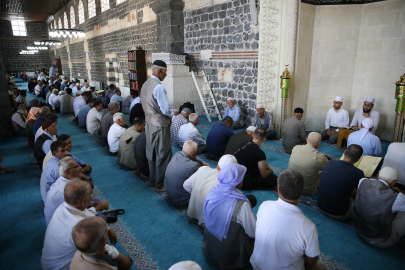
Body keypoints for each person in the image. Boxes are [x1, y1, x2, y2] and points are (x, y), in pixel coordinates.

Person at [250, 169, 327, 270]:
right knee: (321, 267)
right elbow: (311, 260)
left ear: (279, 190)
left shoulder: (264, 205)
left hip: (257, 265)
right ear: (301, 191)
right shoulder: (308, 227)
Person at [41, 180, 126, 270]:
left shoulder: (65, 206)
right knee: (113, 262)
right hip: (62, 266)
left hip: (54, 261)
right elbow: (99, 246)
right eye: (90, 194)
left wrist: (109, 229)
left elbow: (86, 214)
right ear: (84, 201)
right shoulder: (78, 225)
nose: (92, 196)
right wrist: (122, 258)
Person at [203, 163, 256, 269]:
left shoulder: (213, 192)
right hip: (230, 250)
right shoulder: (242, 205)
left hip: (211, 243)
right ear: (236, 181)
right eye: (241, 177)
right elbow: (252, 232)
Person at [44, 157, 107, 226]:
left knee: (95, 201)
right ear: (68, 172)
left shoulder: (64, 181)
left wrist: (92, 203)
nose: (80, 168)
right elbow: (79, 216)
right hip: (64, 224)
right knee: (102, 218)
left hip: (67, 214)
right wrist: (99, 207)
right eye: (77, 166)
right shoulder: (66, 191)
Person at [352, 167, 405, 248]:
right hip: (377, 239)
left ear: (377, 176)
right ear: (394, 182)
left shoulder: (362, 181)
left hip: (356, 228)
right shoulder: (398, 197)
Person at [140, 60, 172, 191]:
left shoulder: (145, 84)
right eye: (165, 72)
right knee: (162, 154)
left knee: (151, 153)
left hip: (149, 123)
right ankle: (159, 184)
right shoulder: (158, 87)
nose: (166, 74)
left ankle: (153, 180)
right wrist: (173, 114)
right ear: (160, 71)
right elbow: (165, 110)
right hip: (160, 125)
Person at [184, 154, 240, 225]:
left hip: (192, 211)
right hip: (207, 222)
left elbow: (186, 185)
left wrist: (198, 193)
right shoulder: (225, 185)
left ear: (218, 163)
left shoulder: (203, 168)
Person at [317, 144, 364, 220]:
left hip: (319, 206)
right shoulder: (358, 173)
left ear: (344, 153)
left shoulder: (329, 163)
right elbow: (360, 193)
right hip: (339, 214)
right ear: (358, 159)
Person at [165, 141, 209, 207]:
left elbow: (194, 158)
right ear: (192, 154)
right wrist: (205, 165)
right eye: (195, 153)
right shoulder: (193, 166)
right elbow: (206, 172)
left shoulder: (177, 154)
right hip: (182, 200)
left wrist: (201, 161)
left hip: (169, 192)